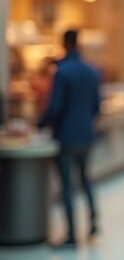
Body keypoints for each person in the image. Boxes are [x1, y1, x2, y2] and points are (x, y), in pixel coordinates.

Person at [38, 30, 101, 248]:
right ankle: (93, 222)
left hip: (66, 135)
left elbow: (55, 107)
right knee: (85, 179)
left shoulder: (62, 72)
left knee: (66, 186)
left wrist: (39, 125)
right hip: (86, 134)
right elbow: (96, 106)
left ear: (64, 44)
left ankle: (72, 234)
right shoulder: (92, 72)